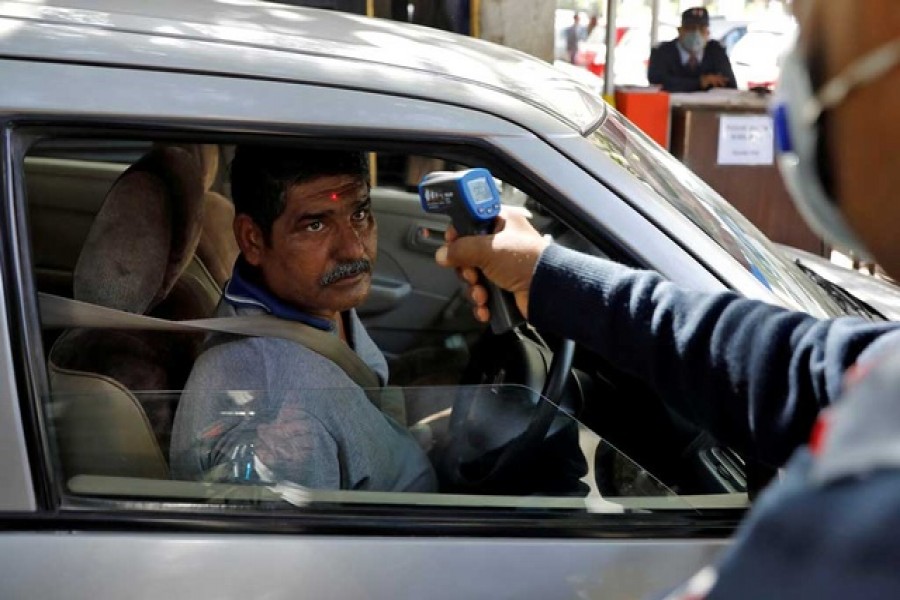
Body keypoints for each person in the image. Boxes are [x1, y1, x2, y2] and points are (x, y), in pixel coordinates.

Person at [436, 0, 900, 594]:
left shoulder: (860, 536)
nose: (800, 73)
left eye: (812, 26)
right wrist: (544, 276)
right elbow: (792, 366)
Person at [170, 145, 436, 492]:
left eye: (359, 214)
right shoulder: (285, 419)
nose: (353, 249)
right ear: (252, 239)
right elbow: (313, 543)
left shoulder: (312, 301)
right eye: (315, 224)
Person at [648, 7, 737, 92]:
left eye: (701, 29)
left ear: (708, 33)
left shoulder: (716, 51)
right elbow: (657, 83)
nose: (696, 34)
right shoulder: (662, 52)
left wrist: (681, 84)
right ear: (680, 30)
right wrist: (700, 82)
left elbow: (730, 84)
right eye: (690, 28)